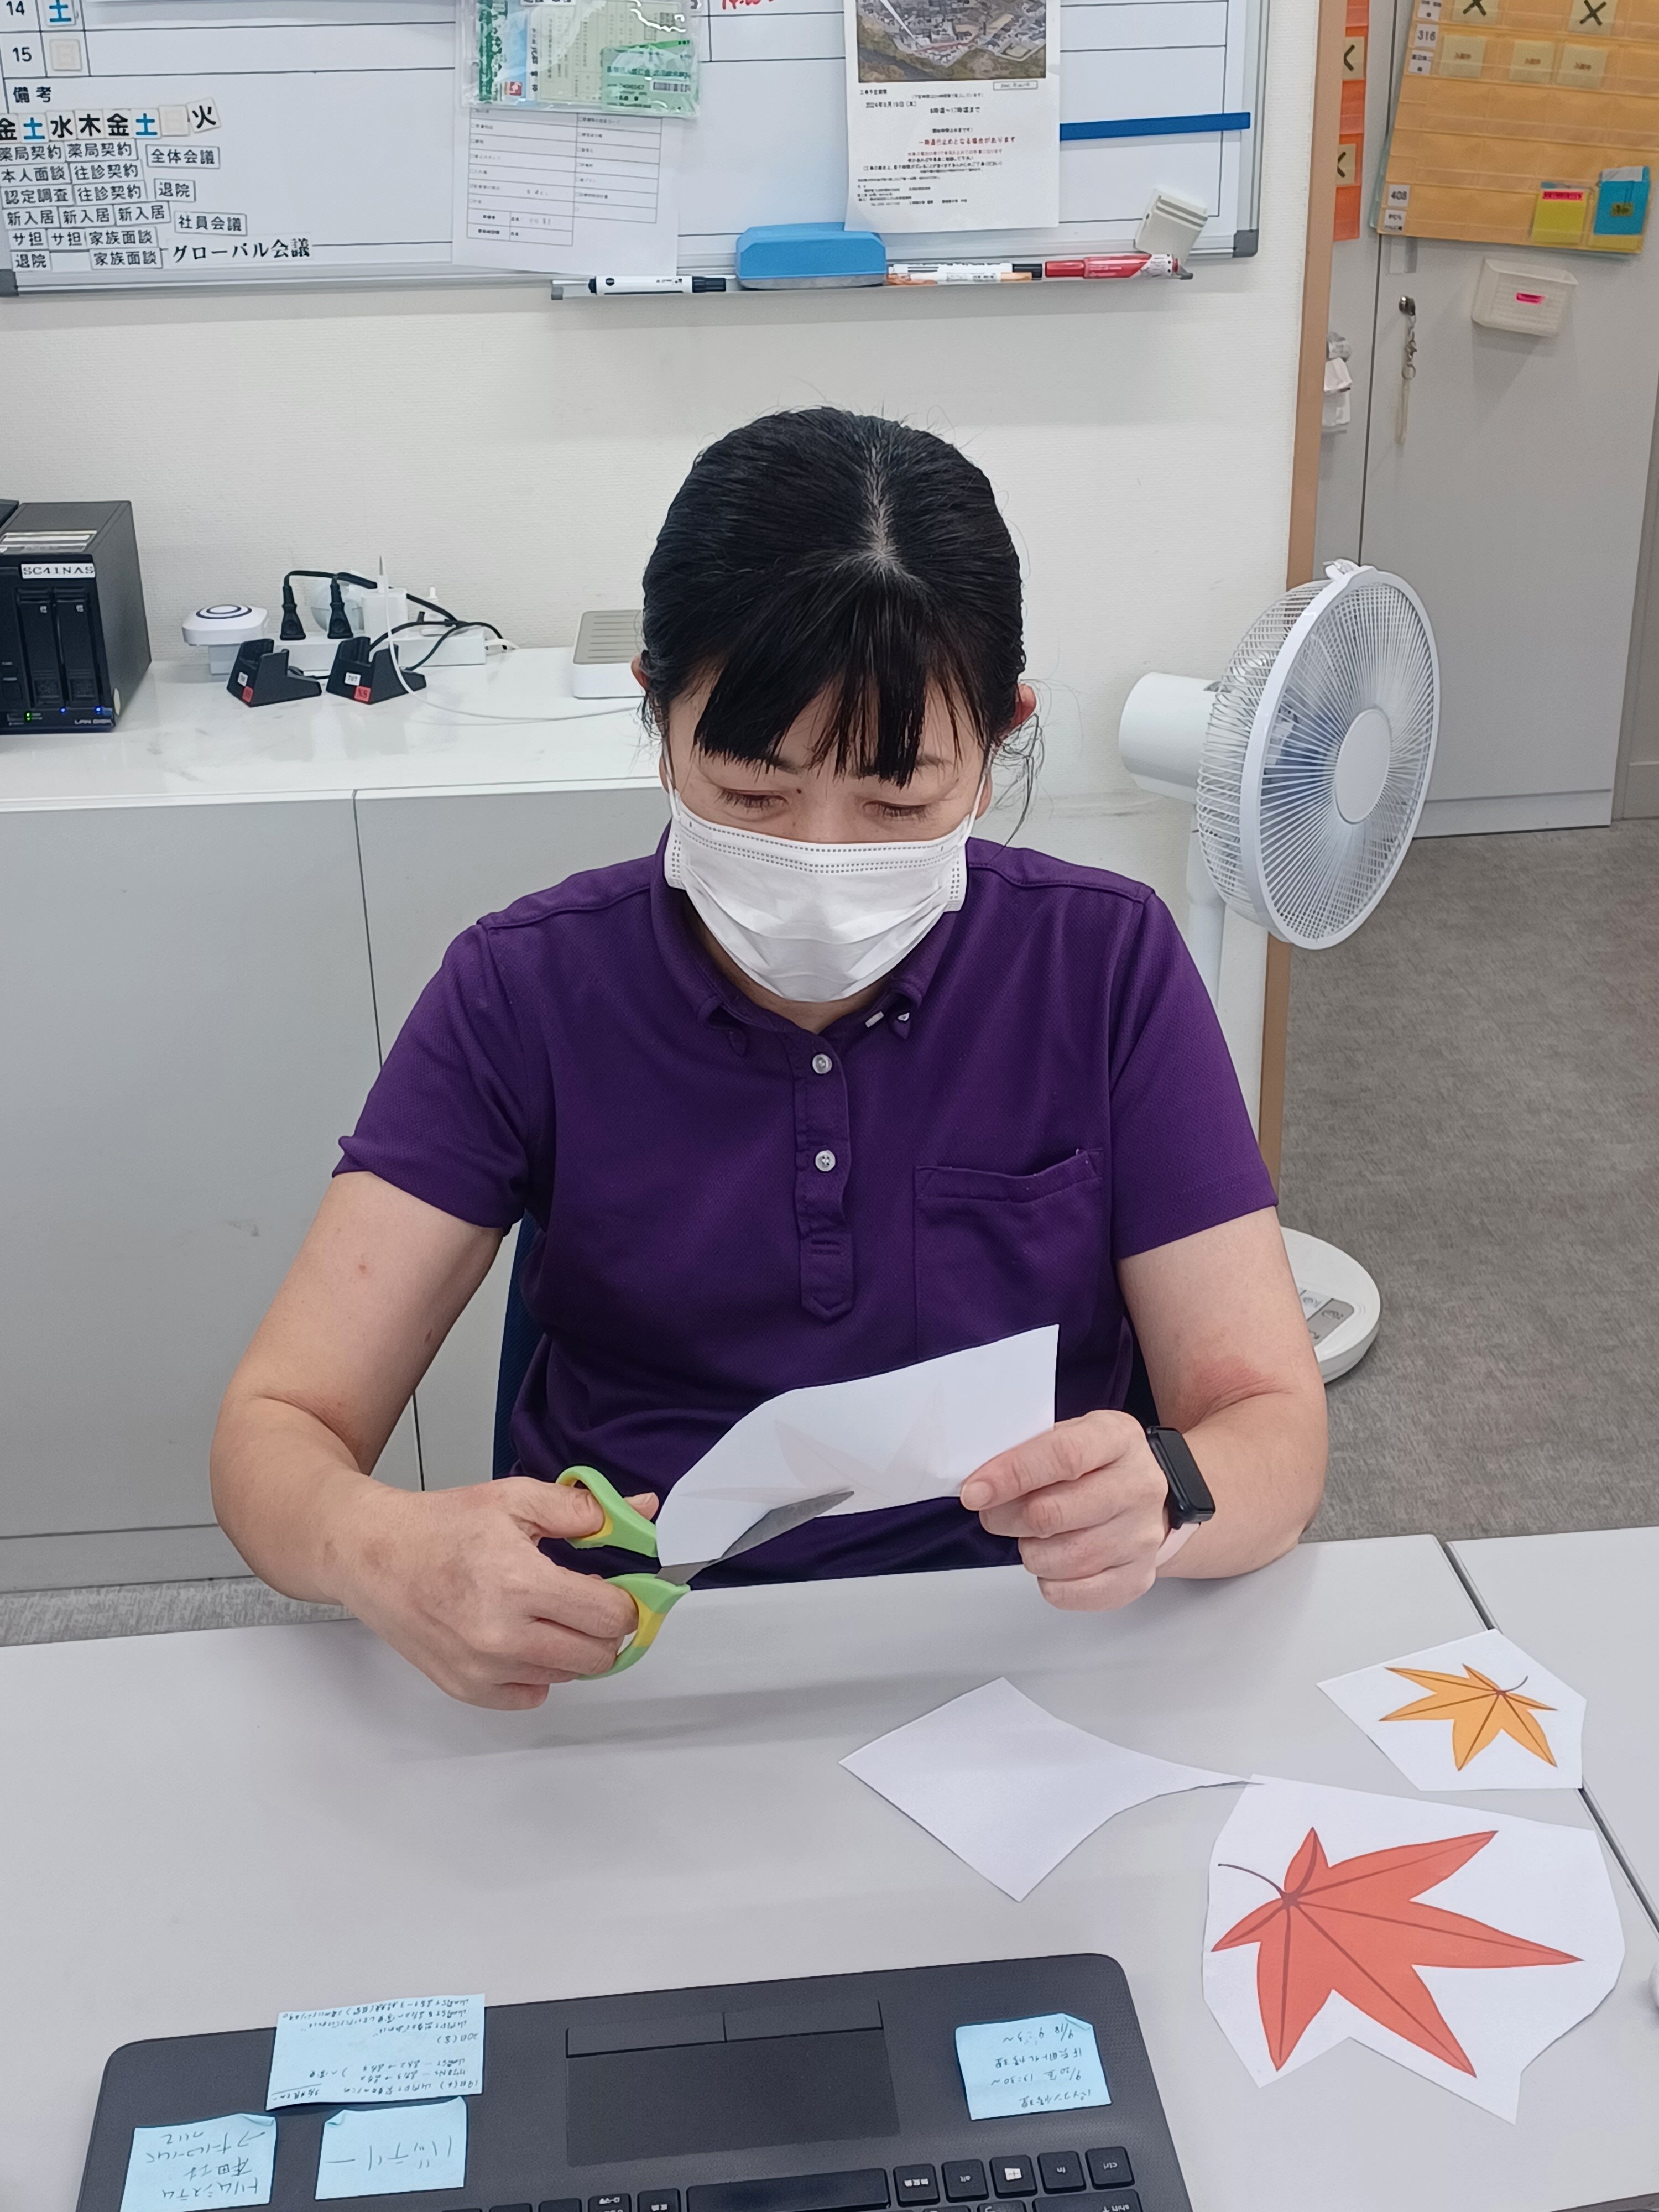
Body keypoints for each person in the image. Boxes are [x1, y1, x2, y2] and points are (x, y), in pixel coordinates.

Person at [212, 407, 1326, 1710]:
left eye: (898, 801)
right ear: (657, 712)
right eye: (751, 791)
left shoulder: (1104, 965)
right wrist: (382, 1545)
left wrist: (1170, 1491)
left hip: (1020, 1655)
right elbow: (274, 1430)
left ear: (1000, 737)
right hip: (629, 1655)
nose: (820, 859)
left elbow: (1271, 1430)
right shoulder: (526, 988)